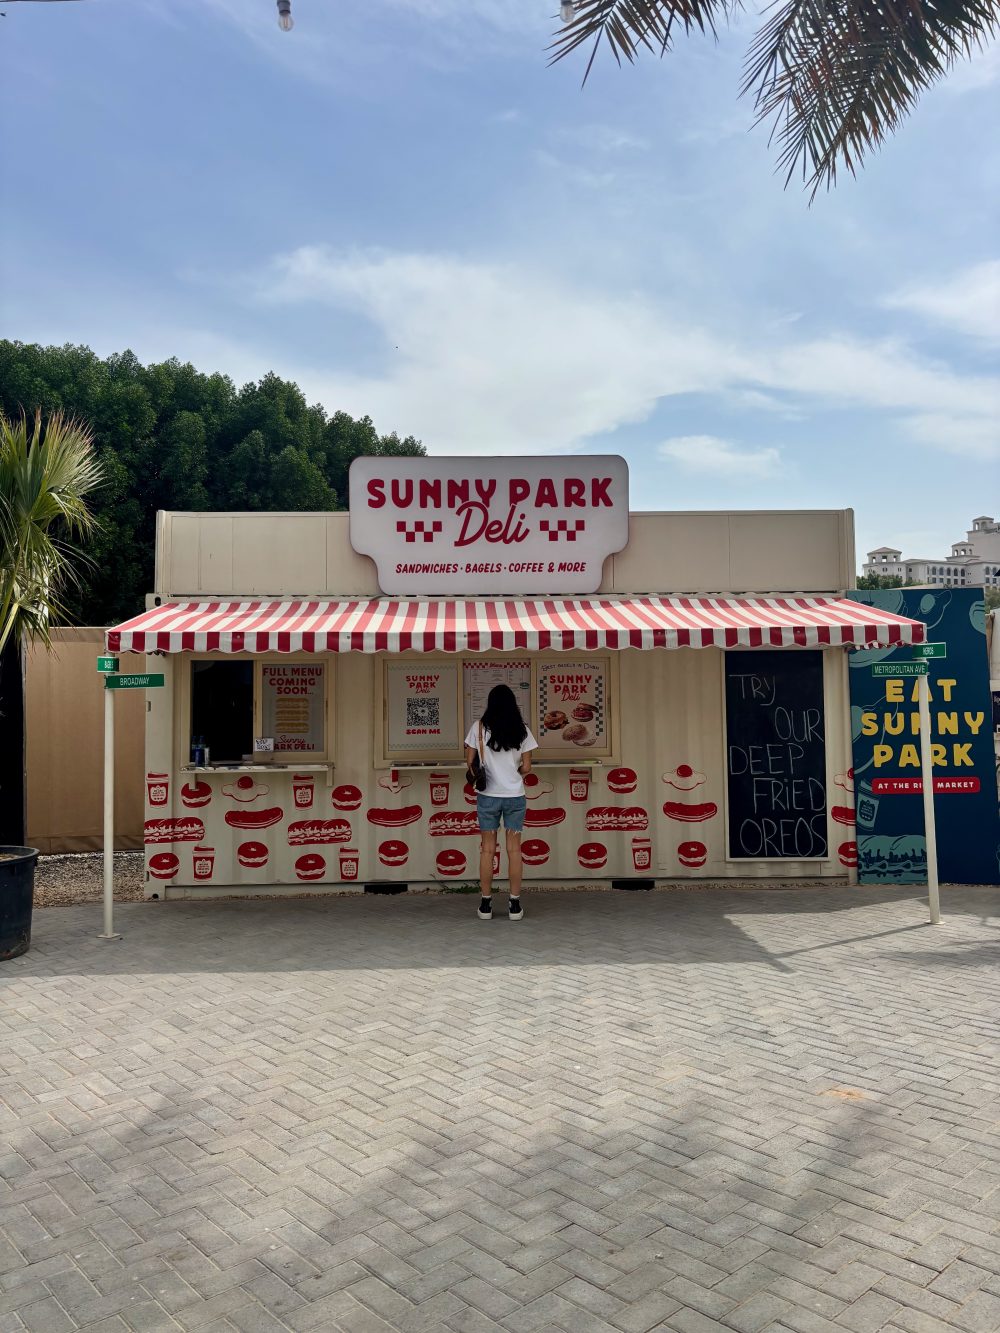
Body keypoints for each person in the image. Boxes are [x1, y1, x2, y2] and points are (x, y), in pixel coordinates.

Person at [464, 684, 538, 921]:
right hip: (515, 796)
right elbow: (527, 767)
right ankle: (514, 905)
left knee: (487, 849)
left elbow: (470, 763)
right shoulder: (523, 730)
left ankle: (486, 905)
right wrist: (515, 771)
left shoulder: (478, 728)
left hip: (488, 798)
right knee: (514, 850)